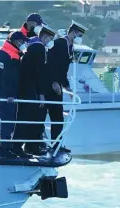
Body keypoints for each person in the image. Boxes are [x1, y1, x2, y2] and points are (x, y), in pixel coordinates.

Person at [12, 24, 56, 157]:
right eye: (49, 38)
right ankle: (22, 147)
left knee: (26, 118)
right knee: (27, 119)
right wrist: (41, 93)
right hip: (30, 89)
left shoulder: (31, 45)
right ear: (45, 37)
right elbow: (39, 72)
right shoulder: (39, 48)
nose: (50, 41)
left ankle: (28, 146)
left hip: (25, 87)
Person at [44, 20, 87, 153]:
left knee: (58, 118)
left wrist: (67, 88)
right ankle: (44, 144)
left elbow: (63, 70)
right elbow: (49, 64)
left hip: (58, 86)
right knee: (47, 115)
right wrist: (53, 82)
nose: (79, 38)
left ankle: (56, 145)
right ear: (72, 33)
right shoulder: (59, 43)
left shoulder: (70, 47)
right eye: (79, 35)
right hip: (49, 85)